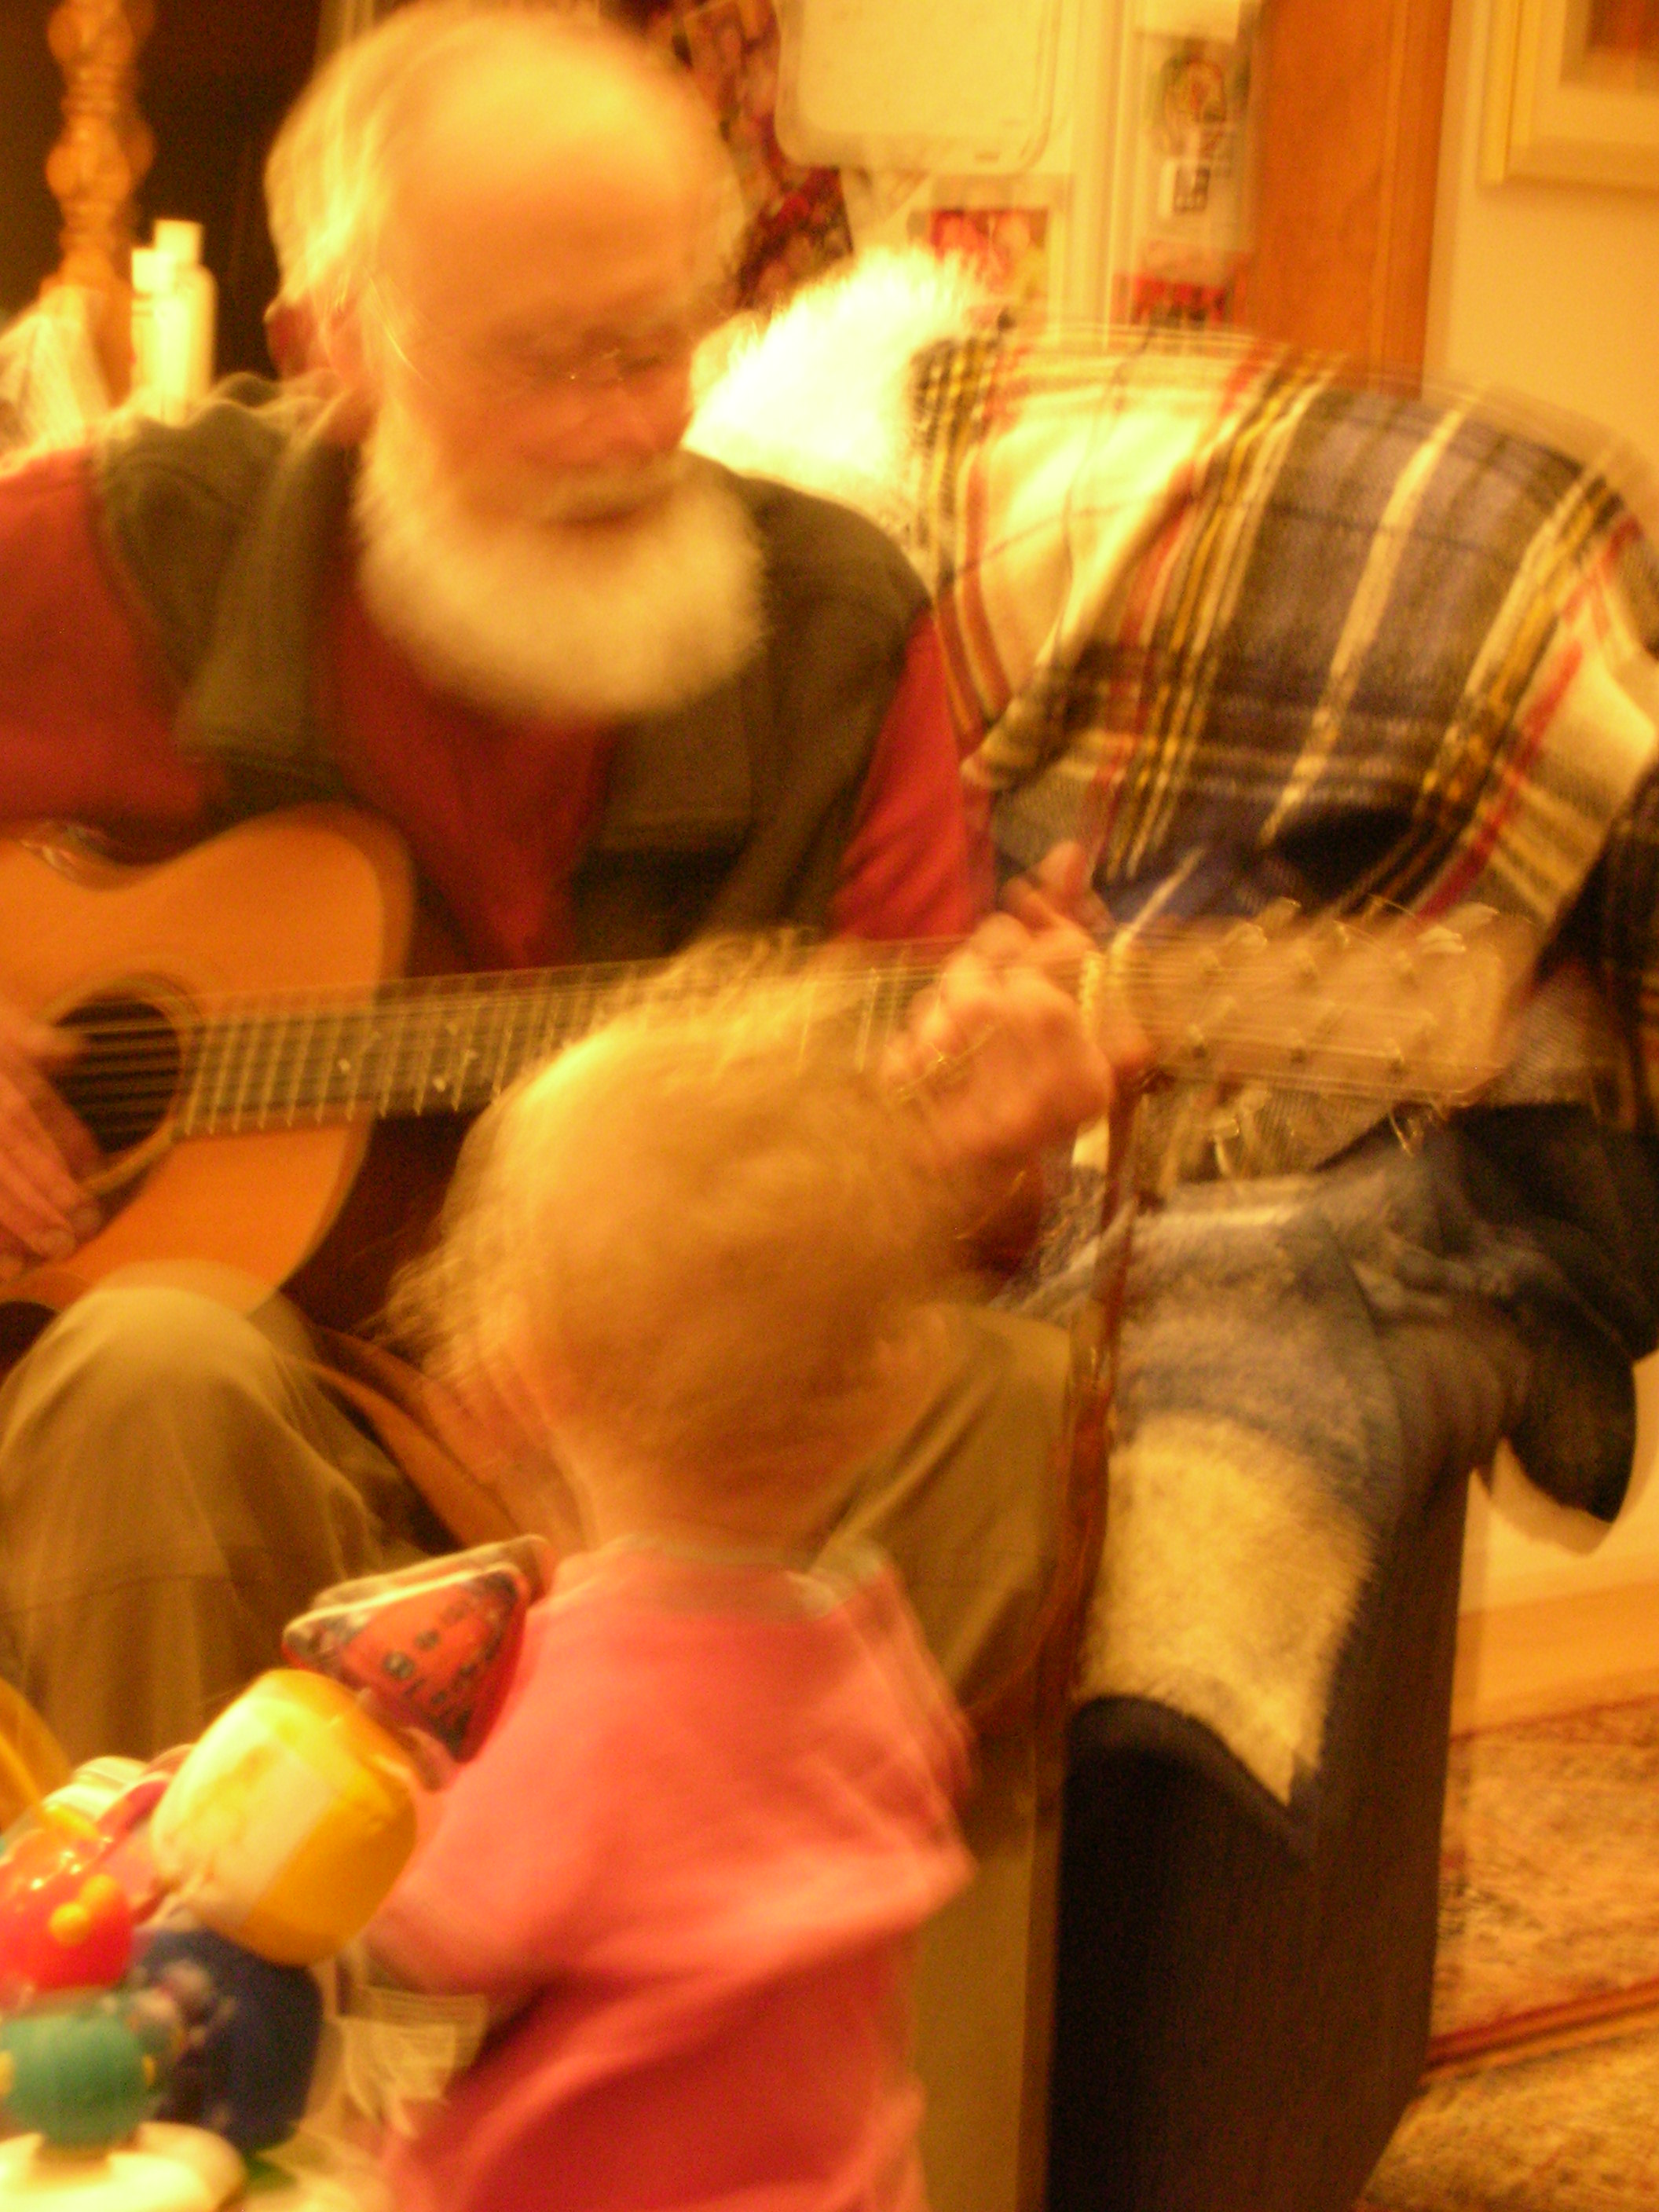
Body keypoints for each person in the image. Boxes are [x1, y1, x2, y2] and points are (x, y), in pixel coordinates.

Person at [0, 2, 1108, 1779]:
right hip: (270, 1445)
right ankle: (198, 1946)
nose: (621, 431)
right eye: (541, 362)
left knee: (995, 1400)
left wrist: (962, 1152)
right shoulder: (111, 556)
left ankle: (658, 1919)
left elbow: (935, 1199)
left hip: (675, 1461)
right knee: (147, 1369)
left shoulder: (828, 634)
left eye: (655, 345)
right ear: (330, 349)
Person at [365, 964, 980, 2212]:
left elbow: (418, 1937)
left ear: (517, 1379)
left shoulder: (586, 1706)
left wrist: (355, 1794)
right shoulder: (871, 1640)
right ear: (885, 1396)